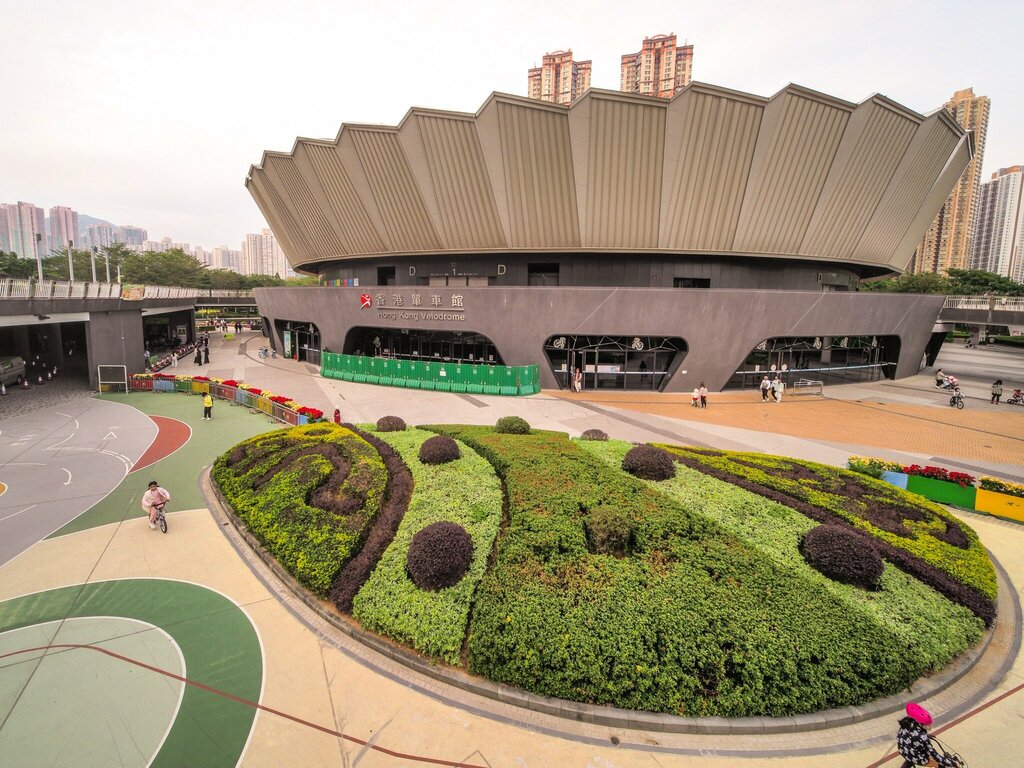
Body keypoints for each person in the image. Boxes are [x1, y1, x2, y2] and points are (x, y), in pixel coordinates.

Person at [896, 702, 963, 767]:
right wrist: (953, 763)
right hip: (916, 756)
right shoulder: (922, 737)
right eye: (928, 724)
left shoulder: (907, 723)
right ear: (920, 724)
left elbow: (911, 736)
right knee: (936, 763)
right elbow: (935, 756)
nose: (930, 726)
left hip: (903, 750)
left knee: (911, 756)